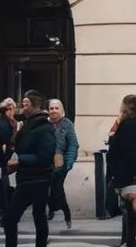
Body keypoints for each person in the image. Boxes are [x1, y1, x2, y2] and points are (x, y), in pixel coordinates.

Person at [1, 90, 54, 247]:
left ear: (35, 106)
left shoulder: (44, 127)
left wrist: (19, 161)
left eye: (25, 104)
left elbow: (44, 157)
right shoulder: (29, 124)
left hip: (35, 179)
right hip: (30, 177)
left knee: (11, 218)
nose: (22, 107)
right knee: (39, 216)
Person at [107, 95, 136, 247]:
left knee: (130, 209)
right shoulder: (132, 123)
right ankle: (128, 240)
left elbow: (124, 149)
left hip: (125, 173)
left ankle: (130, 240)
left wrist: (113, 140)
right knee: (130, 209)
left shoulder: (129, 125)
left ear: (126, 105)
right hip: (127, 171)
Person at [46, 99, 77, 230]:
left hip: (61, 162)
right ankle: (55, 207)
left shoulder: (67, 124)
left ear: (61, 110)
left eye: (56, 108)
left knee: (57, 187)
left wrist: (69, 163)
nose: (54, 111)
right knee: (49, 188)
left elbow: (72, 144)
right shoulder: (44, 124)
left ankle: (64, 212)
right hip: (46, 162)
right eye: (51, 108)